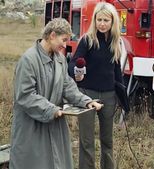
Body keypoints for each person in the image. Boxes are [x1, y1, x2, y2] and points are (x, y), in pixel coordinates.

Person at [9, 18, 103, 169]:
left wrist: (86, 101)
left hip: (54, 124)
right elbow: (25, 95)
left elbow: (67, 86)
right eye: (63, 40)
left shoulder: (60, 59)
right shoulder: (28, 60)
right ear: (52, 35)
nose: (65, 45)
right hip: (31, 126)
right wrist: (51, 110)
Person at [68, 2, 124, 169]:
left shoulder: (116, 42)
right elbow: (71, 65)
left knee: (107, 141)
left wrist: (122, 97)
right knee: (87, 141)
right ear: (94, 20)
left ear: (113, 21)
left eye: (106, 20)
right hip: (87, 94)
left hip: (109, 96)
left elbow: (117, 72)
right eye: (99, 19)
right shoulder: (88, 40)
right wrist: (77, 70)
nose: (102, 23)